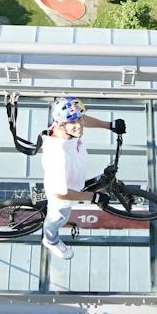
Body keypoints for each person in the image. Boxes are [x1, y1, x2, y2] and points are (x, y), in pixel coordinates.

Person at [40, 97, 123, 260]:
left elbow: (83, 119)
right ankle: (50, 240)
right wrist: (94, 197)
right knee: (58, 218)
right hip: (62, 196)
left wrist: (110, 125)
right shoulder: (57, 155)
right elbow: (60, 194)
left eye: (79, 119)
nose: (79, 125)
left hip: (72, 179)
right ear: (61, 124)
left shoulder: (67, 128)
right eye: (73, 122)